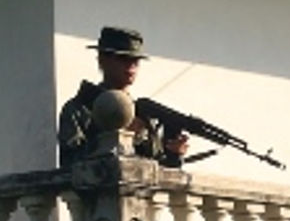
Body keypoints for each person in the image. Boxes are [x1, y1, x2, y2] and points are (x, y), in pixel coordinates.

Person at [56, 25, 191, 167]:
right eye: (123, 59)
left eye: (136, 61)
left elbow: (159, 169)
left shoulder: (142, 114)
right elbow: (70, 163)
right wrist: (120, 135)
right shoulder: (79, 109)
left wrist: (174, 154)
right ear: (102, 60)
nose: (132, 66)